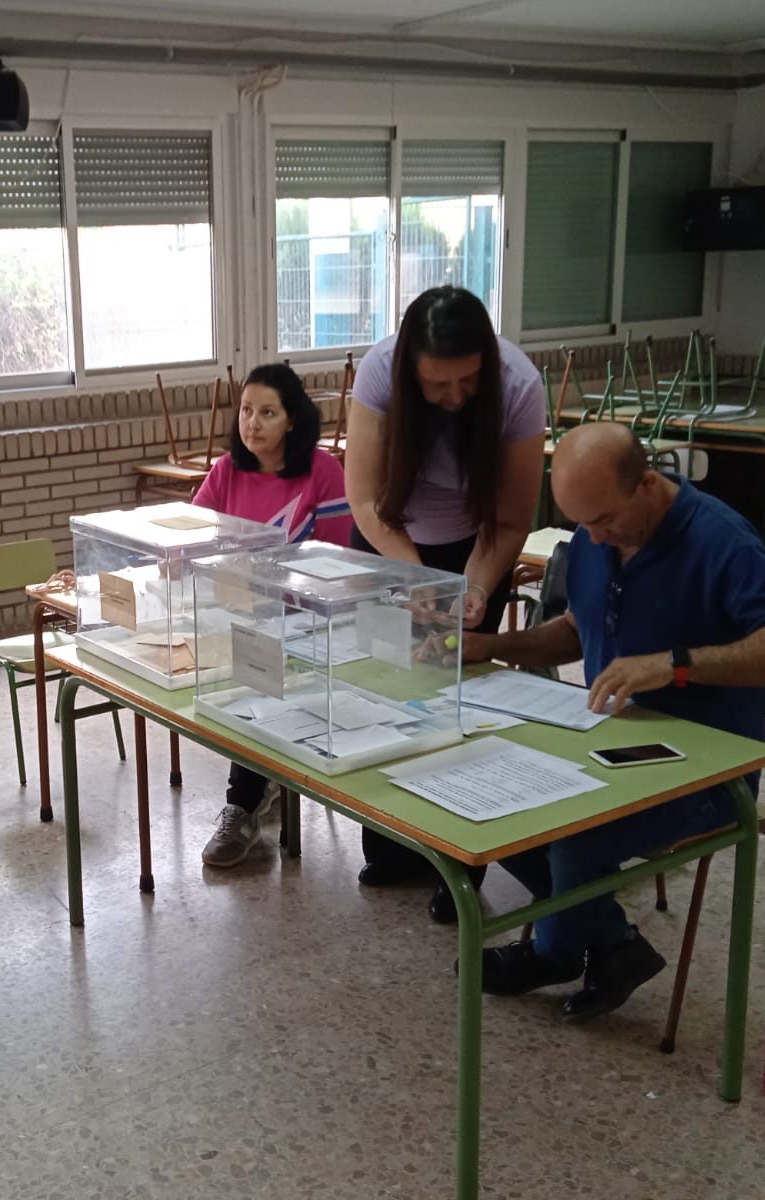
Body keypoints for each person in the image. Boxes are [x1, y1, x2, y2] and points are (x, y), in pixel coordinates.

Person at [454, 422, 765, 1019]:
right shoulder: (594, 536)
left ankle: (556, 953)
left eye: (604, 519)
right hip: (610, 743)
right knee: (489, 804)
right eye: (581, 522)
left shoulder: (720, 539)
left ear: (648, 484)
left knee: (574, 833)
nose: (593, 537)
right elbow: (576, 630)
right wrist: (493, 647)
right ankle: (613, 945)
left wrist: (675, 665)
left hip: (709, 773)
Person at [344, 286, 546, 921]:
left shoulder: (518, 385)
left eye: (468, 380)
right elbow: (367, 502)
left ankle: (459, 863)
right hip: (389, 543)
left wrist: (475, 587)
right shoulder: (379, 373)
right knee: (384, 688)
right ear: (410, 371)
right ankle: (395, 843)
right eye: (437, 384)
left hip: (476, 549)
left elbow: (510, 519)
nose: (455, 396)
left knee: (458, 699)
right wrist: (414, 579)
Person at [192, 362, 352, 868]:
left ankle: (242, 804)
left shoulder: (322, 471)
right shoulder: (226, 470)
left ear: (292, 419)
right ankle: (260, 782)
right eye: (245, 411)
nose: (252, 423)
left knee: (258, 671)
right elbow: (192, 535)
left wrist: (272, 584)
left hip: (306, 620)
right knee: (239, 669)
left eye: (267, 413)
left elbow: (338, 561)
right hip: (237, 614)